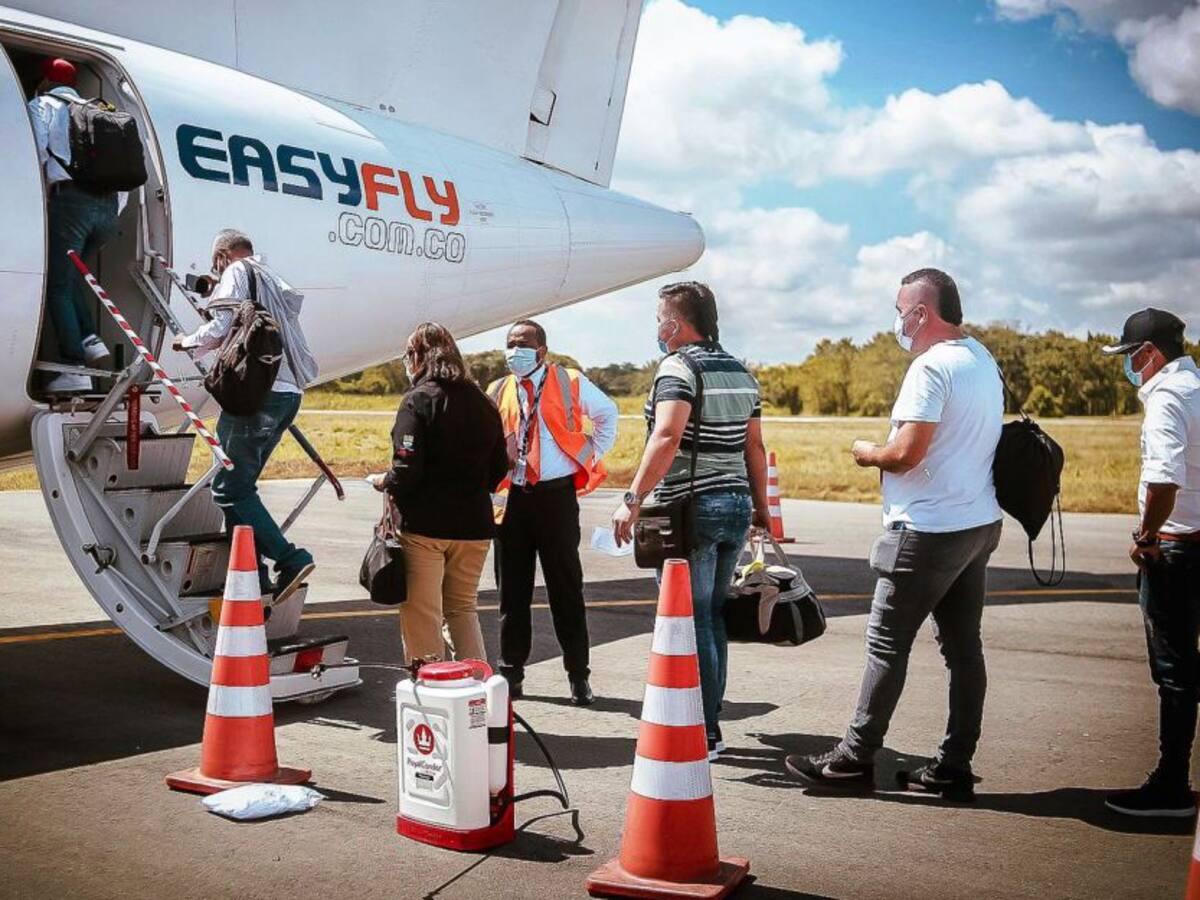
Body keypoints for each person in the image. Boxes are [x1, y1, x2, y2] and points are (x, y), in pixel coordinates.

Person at [785, 268, 1003, 797]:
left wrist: (866, 452)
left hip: (927, 530)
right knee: (963, 650)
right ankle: (953, 765)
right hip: (977, 523)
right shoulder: (981, 358)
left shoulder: (930, 368)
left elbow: (905, 454)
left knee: (886, 644)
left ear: (921, 313)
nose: (898, 320)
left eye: (901, 310)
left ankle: (854, 758)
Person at [612, 281, 770, 759]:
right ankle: (712, 716)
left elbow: (665, 435)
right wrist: (761, 509)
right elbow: (755, 448)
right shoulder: (742, 372)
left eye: (660, 317)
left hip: (691, 508)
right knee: (712, 614)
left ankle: (704, 729)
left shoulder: (678, 368)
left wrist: (632, 499)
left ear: (676, 324)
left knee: (691, 617)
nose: (657, 326)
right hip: (736, 504)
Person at [171, 229, 318, 604]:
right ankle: (254, 577)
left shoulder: (237, 272)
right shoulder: (269, 277)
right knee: (240, 490)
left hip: (257, 395)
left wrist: (185, 341)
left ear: (223, 255)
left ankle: (289, 558)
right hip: (287, 394)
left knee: (227, 488)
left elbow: (221, 328)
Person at [1100, 309, 1200, 818]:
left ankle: (1171, 786)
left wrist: (1146, 537)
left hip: (1177, 549)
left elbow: (1164, 478)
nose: (1128, 366)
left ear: (1149, 354)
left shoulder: (1166, 397)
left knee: (1175, 671)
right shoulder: (1197, 387)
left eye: (1129, 356)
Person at [489, 319, 618, 705]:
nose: (514, 351)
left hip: (556, 498)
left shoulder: (570, 380)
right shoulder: (498, 389)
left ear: (542, 350)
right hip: (514, 499)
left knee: (566, 589)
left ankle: (578, 675)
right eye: (510, 344)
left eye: (523, 344)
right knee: (512, 593)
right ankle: (511, 674)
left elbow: (607, 414)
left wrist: (591, 452)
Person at [368, 323, 509, 664]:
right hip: (474, 526)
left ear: (417, 357)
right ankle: (478, 691)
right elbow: (500, 468)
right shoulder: (483, 403)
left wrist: (383, 481)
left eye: (407, 356)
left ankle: (431, 690)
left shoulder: (418, 400)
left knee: (423, 612)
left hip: (425, 528)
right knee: (462, 609)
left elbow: (406, 469)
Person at [27, 57, 117, 393]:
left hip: (71, 203)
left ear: (45, 80)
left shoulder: (43, 104)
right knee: (69, 274)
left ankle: (74, 367)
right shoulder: (98, 110)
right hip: (108, 210)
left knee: (57, 285)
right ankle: (91, 339)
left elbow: (33, 151)